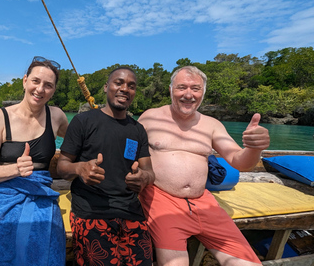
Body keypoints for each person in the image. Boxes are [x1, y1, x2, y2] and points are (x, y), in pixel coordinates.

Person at [138, 66, 270, 266]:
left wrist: (254, 148)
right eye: (182, 87)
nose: (189, 94)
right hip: (162, 201)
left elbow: (239, 161)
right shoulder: (150, 117)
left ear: (203, 93)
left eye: (196, 88)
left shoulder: (212, 124)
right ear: (171, 89)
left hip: (205, 203)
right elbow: (129, 153)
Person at [0, 56, 69, 266]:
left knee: (44, 243)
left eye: (48, 85)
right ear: (25, 81)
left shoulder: (57, 116)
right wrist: (16, 169)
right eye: (36, 81)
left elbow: (78, 141)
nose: (40, 89)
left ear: (53, 90)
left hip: (39, 193)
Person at [57, 67, 155, 266]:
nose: (125, 89)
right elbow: (62, 166)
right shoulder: (83, 122)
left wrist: (143, 178)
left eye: (131, 86)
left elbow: (150, 172)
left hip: (130, 211)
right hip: (91, 211)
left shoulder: (138, 130)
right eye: (118, 83)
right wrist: (80, 169)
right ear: (106, 87)